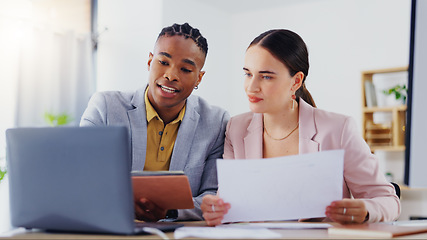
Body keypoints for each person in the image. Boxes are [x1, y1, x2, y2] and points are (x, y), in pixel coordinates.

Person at [201, 29, 401, 226]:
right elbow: (229, 203)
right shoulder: (236, 128)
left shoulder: (338, 129)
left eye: (266, 76)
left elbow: (387, 200)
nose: (251, 87)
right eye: (248, 74)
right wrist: (217, 211)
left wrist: (365, 210)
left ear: (296, 81)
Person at [80, 23, 229, 221]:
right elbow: (83, 178)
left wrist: (170, 210)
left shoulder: (216, 123)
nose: (171, 75)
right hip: (112, 226)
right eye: (163, 62)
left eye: (185, 69)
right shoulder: (105, 107)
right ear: (150, 61)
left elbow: (212, 197)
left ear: (199, 78)